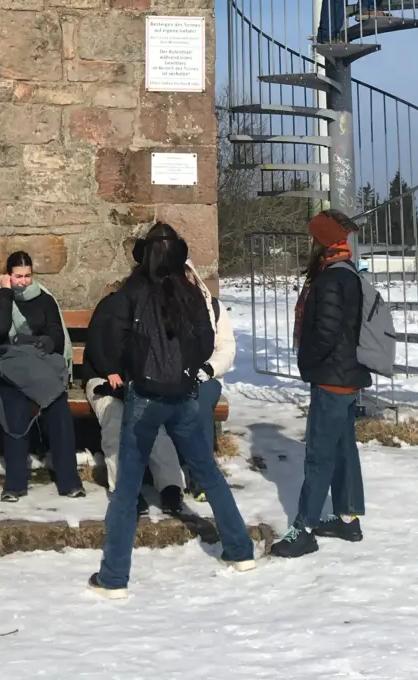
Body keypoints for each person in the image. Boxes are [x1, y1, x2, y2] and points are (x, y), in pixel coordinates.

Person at [88, 223, 256, 598]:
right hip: (183, 396)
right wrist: (185, 372)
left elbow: (109, 342)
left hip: (145, 398)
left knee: (128, 486)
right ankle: (240, 550)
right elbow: (206, 342)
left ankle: (114, 577)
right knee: (208, 474)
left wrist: (129, 370)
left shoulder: (131, 292)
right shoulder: (191, 294)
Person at [271, 211, 370, 558]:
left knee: (319, 454)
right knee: (344, 449)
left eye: (314, 239)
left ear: (321, 242)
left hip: (331, 378)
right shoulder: (348, 272)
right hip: (346, 376)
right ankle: (347, 517)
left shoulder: (329, 280)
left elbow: (325, 333)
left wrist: (308, 363)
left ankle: (305, 528)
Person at [0, 250, 84, 502]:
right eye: (18, 276)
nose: (24, 281)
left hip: (41, 368)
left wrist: (47, 341)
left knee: (58, 409)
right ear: (7, 276)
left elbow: (57, 335)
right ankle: (14, 484)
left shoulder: (45, 300)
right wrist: (6, 293)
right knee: (15, 410)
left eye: (28, 275)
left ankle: (69, 481)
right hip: (12, 368)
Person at [85, 274, 186, 516]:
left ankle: (171, 486)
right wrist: (111, 371)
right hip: (103, 379)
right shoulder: (110, 307)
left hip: (138, 384)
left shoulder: (153, 313)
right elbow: (97, 345)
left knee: (154, 423)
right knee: (115, 420)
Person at [181, 257, 237, 499]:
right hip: (172, 377)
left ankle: (202, 478)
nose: (184, 280)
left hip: (206, 377)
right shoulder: (162, 307)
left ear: (194, 275)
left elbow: (227, 347)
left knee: (200, 403)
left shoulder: (213, 307)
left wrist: (210, 368)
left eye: (187, 274)